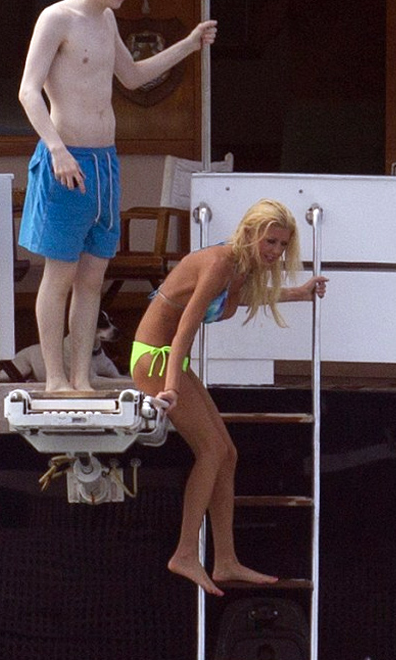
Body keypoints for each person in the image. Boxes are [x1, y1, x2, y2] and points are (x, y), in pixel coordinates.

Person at [18, 0, 217, 392]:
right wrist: (56, 148)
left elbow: (132, 76)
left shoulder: (107, 20)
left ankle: (82, 375)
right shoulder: (56, 18)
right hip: (66, 159)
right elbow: (28, 91)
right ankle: (55, 378)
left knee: (93, 276)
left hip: (104, 162)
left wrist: (188, 44)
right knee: (60, 274)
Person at [130, 198, 328, 597]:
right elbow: (185, 328)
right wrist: (171, 386)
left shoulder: (242, 267)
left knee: (228, 453)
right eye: (270, 241)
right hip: (156, 359)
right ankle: (185, 552)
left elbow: (245, 298)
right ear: (250, 233)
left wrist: (300, 293)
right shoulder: (221, 262)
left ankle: (225, 560)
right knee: (211, 451)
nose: (275, 251)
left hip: (169, 360)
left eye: (282, 245)